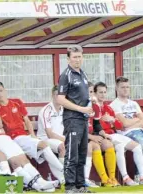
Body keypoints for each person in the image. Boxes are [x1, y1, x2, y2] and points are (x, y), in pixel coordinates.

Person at [0, 85, 56, 192]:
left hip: (3, 137)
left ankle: (40, 182)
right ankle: (37, 185)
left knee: (22, 158)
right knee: (14, 161)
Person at [0, 81, 64, 185]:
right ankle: (63, 170)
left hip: (25, 136)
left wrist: (33, 135)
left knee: (44, 148)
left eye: (1, 91)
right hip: (13, 139)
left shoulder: (16, 102)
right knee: (44, 146)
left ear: (5, 90)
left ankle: (62, 179)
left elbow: (27, 121)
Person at [92, 82, 143, 185]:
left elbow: (119, 126)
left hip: (114, 135)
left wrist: (112, 120)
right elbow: (94, 125)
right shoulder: (93, 107)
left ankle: (141, 177)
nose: (102, 95)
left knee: (135, 147)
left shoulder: (108, 108)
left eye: (104, 92)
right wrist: (104, 123)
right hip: (102, 136)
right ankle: (125, 178)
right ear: (95, 93)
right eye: (100, 92)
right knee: (124, 146)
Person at [57, 45, 93, 193]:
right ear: (68, 58)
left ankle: (80, 185)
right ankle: (70, 187)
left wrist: (91, 102)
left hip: (83, 119)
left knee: (82, 154)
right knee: (72, 154)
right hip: (72, 119)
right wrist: (80, 109)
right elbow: (60, 99)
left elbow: (82, 96)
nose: (78, 60)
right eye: (74, 57)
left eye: (79, 56)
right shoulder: (66, 75)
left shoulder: (82, 74)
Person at [87, 82, 119, 187]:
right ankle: (104, 179)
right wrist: (92, 137)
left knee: (108, 144)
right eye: (90, 92)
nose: (92, 94)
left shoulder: (94, 106)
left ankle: (112, 178)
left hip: (93, 134)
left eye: (92, 92)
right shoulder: (78, 106)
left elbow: (96, 124)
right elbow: (76, 128)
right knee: (95, 145)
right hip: (82, 136)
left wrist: (103, 134)